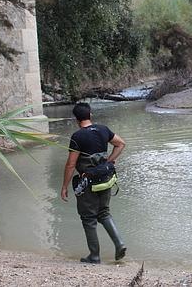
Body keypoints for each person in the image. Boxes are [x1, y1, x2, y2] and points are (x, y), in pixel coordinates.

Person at [60, 102, 127, 264]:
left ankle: (94, 256)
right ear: (90, 115)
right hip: (105, 179)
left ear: (76, 119)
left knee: (88, 218)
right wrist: (108, 162)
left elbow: (70, 164)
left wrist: (64, 186)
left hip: (87, 183)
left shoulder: (77, 137)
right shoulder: (103, 129)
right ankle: (119, 243)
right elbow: (121, 144)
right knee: (104, 212)